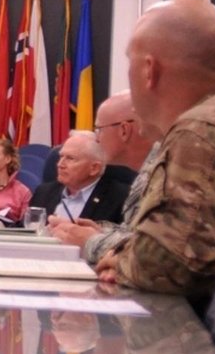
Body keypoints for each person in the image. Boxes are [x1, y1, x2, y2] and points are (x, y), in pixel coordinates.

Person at [97, 0, 215, 300]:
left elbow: (174, 264)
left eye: (130, 62)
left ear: (149, 70)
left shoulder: (199, 134)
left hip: (204, 343)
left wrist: (121, 259)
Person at [48, 92, 158, 263]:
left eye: (99, 129)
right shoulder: (145, 174)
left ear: (124, 130)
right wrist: (103, 232)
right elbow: (136, 234)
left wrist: (90, 242)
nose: (96, 139)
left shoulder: (164, 173)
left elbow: (157, 254)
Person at [30, 130, 129, 225]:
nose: (60, 164)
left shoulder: (121, 198)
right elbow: (27, 230)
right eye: (61, 157)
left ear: (94, 168)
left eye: (70, 158)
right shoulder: (43, 193)